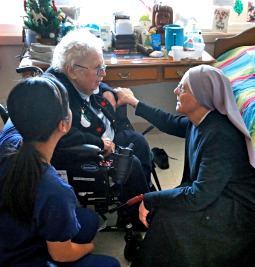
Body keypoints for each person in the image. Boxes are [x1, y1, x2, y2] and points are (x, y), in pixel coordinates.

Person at [114, 64, 255, 267]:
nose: (175, 91)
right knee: (164, 211)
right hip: (216, 193)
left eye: (182, 88)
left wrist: (150, 198)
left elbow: (198, 196)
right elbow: (169, 121)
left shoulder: (219, 136)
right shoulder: (200, 121)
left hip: (234, 210)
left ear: (201, 96)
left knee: (168, 218)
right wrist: (134, 102)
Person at [0, 74, 121, 267]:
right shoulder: (54, 189)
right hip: (23, 260)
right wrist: (89, 248)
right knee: (110, 264)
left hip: (11, 236)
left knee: (88, 220)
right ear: (63, 124)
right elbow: (61, 255)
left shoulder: (8, 139)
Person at [46, 29, 152, 227]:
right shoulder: (56, 97)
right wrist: (98, 142)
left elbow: (97, 86)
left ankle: (143, 198)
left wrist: (108, 91)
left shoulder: (76, 78)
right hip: (86, 152)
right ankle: (135, 217)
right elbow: (63, 135)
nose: (103, 73)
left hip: (105, 139)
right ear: (71, 71)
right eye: (98, 69)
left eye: (103, 66)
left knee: (138, 141)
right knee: (132, 164)